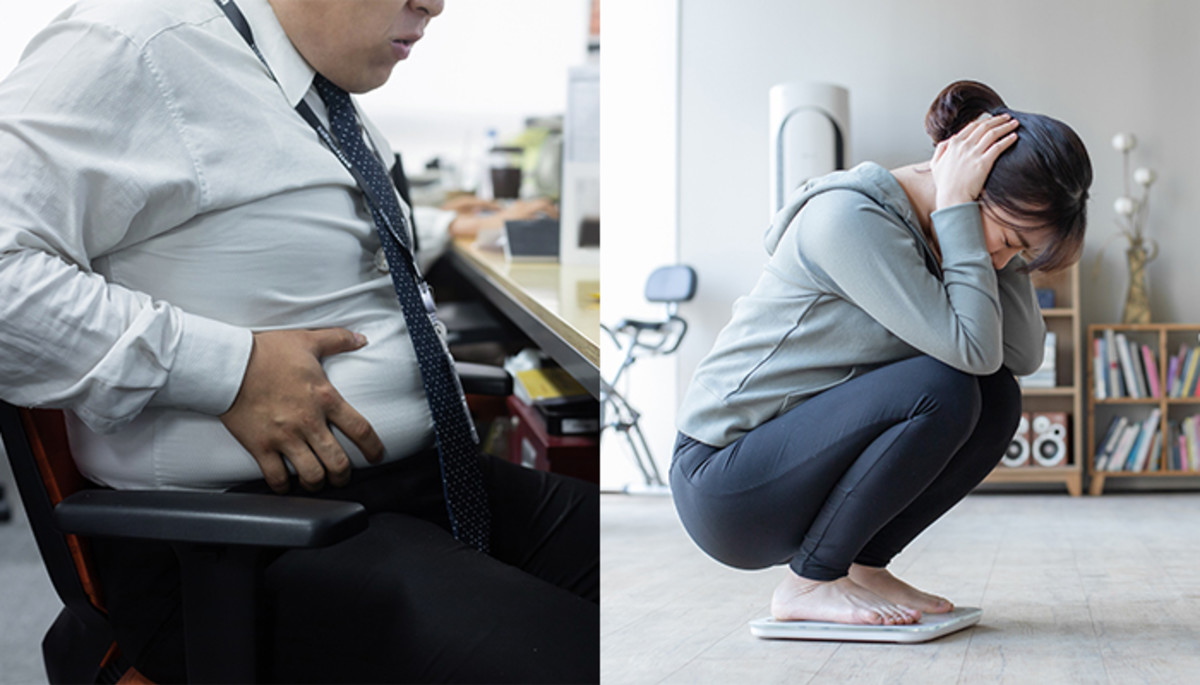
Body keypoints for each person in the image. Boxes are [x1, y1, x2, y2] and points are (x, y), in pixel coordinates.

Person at [0, 0, 597, 682]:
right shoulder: (136, 44)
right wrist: (225, 369)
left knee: (674, 589)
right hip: (243, 545)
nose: (435, 3)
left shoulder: (314, 94)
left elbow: (323, 243)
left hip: (426, 488)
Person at [671, 80, 1091, 626]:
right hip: (724, 484)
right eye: (1009, 236)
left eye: (1021, 252)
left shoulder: (951, 236)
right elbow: (971, 350)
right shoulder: (849, 220)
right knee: (945, 388)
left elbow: (1022, 354)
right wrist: (960, 210)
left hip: (794, 467)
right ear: (966, 180)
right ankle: (808, 586)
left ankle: (863, 566)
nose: (1004, 257)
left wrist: (995, 246)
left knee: (997, 398)